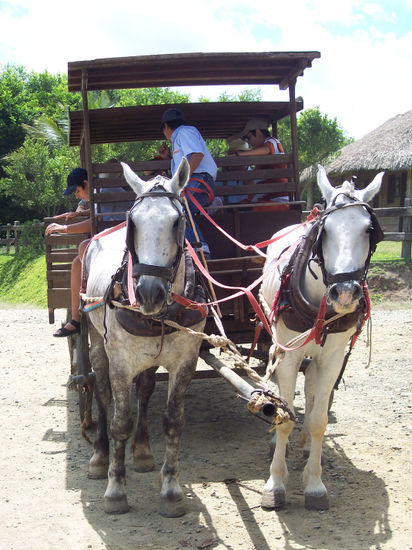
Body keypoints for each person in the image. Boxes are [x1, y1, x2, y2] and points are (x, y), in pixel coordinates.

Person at [157, 108, 218, 259]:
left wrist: (181, 181)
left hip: (200, 181)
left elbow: (197, 155)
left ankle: (200, 249)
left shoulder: (184, 132)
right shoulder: (180, 137)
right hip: (196, 182)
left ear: (165, 126)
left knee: (179, 210)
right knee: (177, 210)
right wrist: (167, 159)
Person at [45, 168, 92, 337]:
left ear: (86, 184)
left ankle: (80, 313)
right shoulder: (99, 195)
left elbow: (94, 221)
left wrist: (65, 228)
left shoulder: (103, 192)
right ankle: (76, 319)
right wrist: (75, 214)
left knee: (83, 248)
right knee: (76, 262)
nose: (77, 195)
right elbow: (94, 213)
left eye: (78, 191)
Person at [232, 118, 289, 210]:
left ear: (258, 132)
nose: (249, 142)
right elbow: (254, 182)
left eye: (249, 138)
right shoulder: (262, 160)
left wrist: (239, 155)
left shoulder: (272, 141)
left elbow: (266, 150)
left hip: (277, 199)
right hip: (266, 200)